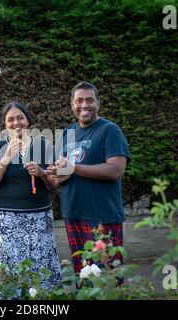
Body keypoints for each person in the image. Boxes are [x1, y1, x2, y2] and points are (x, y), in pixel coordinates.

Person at [45, 81, 132, 274]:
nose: (84, 105)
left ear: (98, 104)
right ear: (72, 105)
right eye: (79, 101)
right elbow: (59, 177)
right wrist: (54, 174)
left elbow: (115, 170)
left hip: (102, 217)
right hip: (73, 214)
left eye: (89, 100)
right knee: (83, 277)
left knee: (108, 279)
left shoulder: (109, 130)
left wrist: (74, 168)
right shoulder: (66, 133)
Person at [0, 102, 61, 298]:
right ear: (4, 125)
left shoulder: (43, 145)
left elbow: (54, 183)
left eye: (20, 118)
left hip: (39, 221)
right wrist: (5, 158)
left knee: (39, 270)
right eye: (10, 119)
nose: (16, 122)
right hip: (5, 223)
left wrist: (41, 172)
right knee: (7, 271)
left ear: (28, 121)